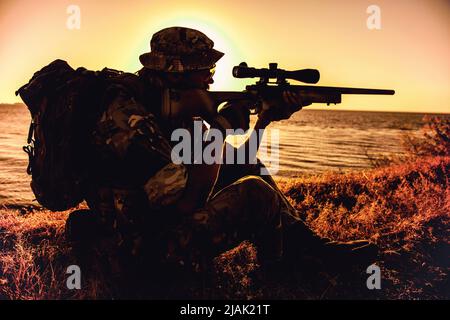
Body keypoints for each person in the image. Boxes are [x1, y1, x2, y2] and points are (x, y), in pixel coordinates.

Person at [66, 26, 377, 280]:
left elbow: (233, 162)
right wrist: (221, 128)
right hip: (143, 249)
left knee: (246, 165)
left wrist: (262, 121)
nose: (212, 78)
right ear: (176, 72)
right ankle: (287, 270)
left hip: (146, 220)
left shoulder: (159, 104)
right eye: (206, 70)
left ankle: (307, 248)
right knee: (256, 193)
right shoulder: (129, 118)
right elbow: (189, 200)